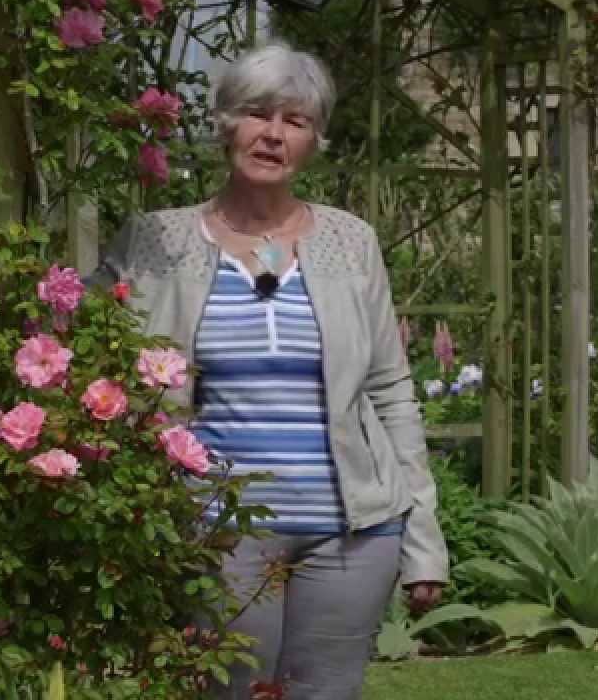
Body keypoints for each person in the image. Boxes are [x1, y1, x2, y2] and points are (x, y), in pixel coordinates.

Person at [92, 42, 449, 698]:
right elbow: (88, 355)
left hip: (351, 533)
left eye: (296, 121)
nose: (273, 135)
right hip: (215, 529)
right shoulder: (156, 239)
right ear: (228, 122)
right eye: (258, 114)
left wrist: (423, 539)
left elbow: (391, 391)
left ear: (315, 140)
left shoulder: (351, 241)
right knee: (226, 690)